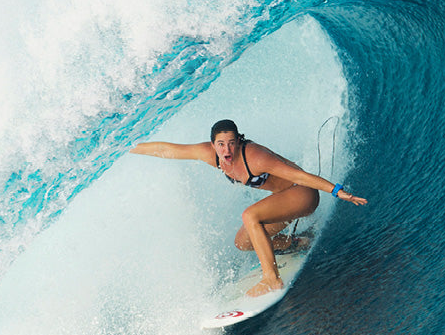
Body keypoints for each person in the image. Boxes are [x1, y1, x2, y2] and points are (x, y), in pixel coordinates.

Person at [131, 119, 367, 297]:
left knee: (250, 215)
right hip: (283, 199)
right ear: (213, 145)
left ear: (239, 142)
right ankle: (297, 242)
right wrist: (130, 146)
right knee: (243, 243)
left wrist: (337, 191)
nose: (227, 151)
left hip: (302, 194)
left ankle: (272, 279)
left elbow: (300, 176)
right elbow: (169, 150)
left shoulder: (255, 157)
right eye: (221, 145)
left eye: (232, 144)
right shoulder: (209, 154)